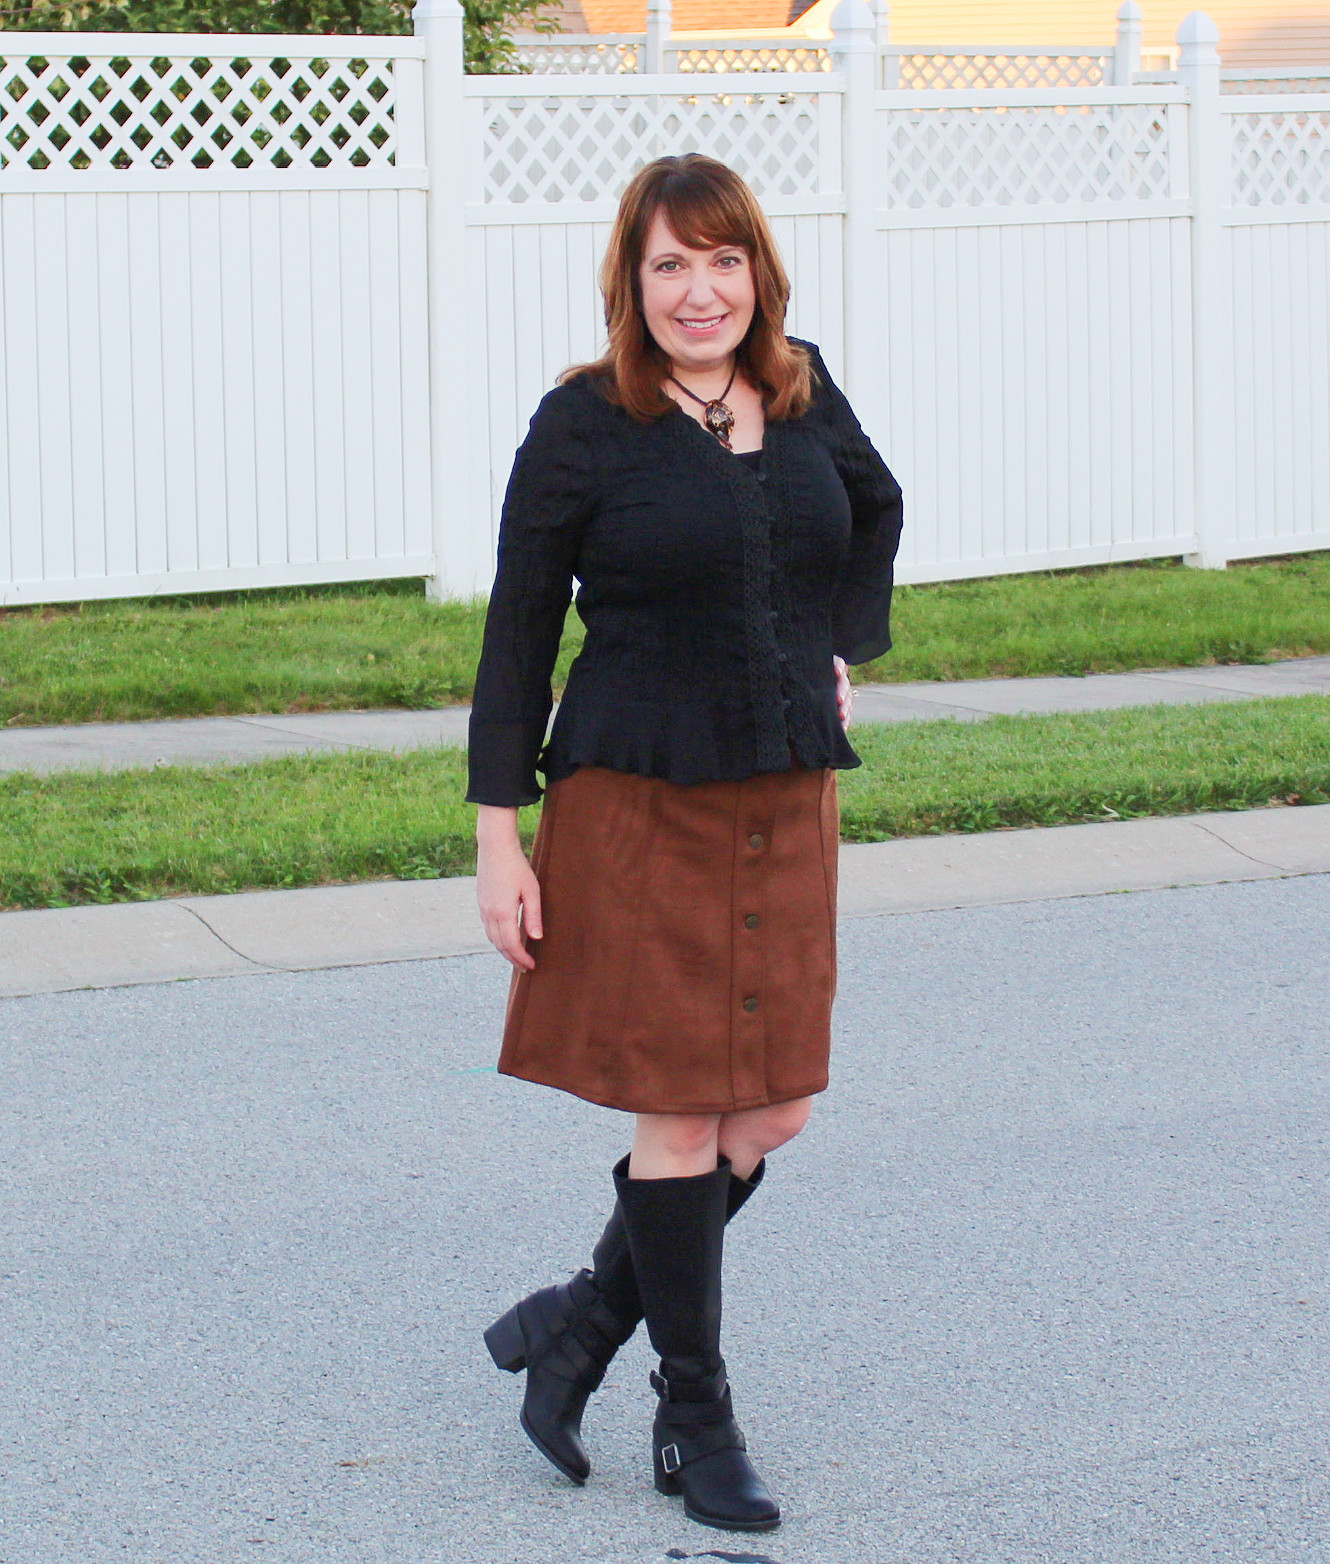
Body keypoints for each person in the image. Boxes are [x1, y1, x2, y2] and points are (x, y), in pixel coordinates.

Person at [468, 152, 903, 1534]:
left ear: (758, 275)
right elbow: (519, 633)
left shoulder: (801, 385)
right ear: (630, 282)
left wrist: (839, 647)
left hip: (783, 797)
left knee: (770, 1109)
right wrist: (499, 833)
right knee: (682, 1107)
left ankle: (584, 1325)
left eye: (722, 262)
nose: (699, 290)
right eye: (669, 265)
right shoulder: (583, 423)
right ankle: (692, 1418)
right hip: (637, 796)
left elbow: (872, 511)